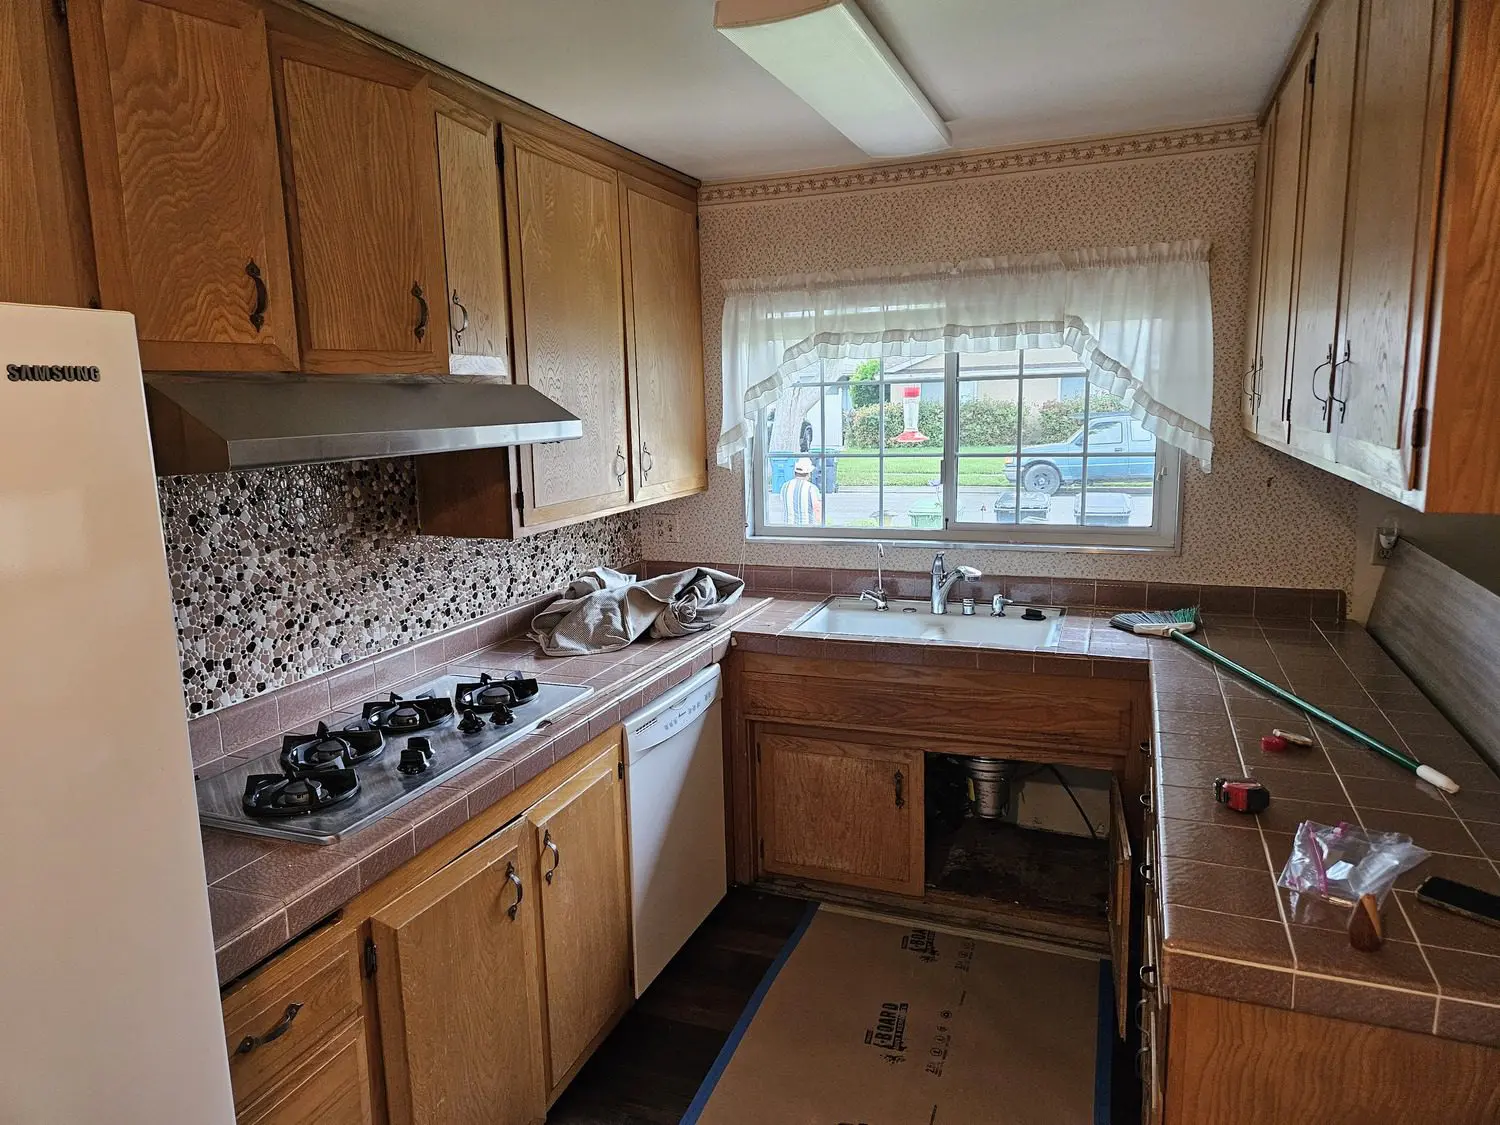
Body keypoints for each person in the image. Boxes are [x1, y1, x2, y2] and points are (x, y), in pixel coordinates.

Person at [780, 456, 823, 526]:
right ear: (809, 474)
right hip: (806, 529)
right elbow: (817, 509)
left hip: (788, 528)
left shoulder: (785, 486)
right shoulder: (811, 488)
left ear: (795, 472)